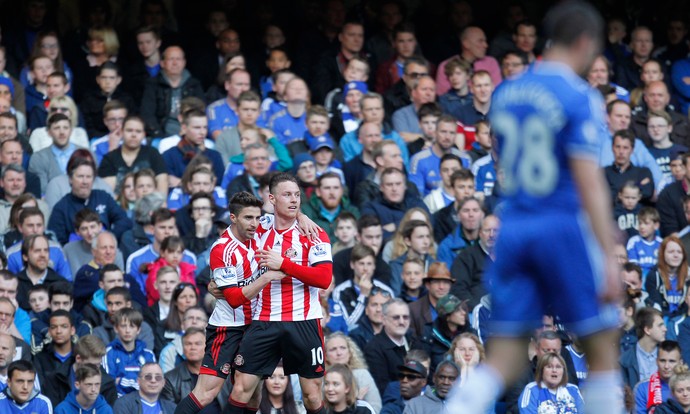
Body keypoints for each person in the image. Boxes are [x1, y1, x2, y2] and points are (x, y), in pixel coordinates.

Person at [448, 3, 623, 413]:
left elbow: (500, 157)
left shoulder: (507, 91)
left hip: (516, 226)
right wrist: (609, 253)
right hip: (562, 225)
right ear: (586, 42)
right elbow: (589, 182)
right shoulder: (579, 96)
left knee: (504, 357)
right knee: (601, 347)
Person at [173, 191, 288, 414]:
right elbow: (234, 299)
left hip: (257, 327)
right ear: (233, 218)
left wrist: (304, 219)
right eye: (248, 218)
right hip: (228, 328)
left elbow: (289, 214)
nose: (255, 224)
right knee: (206, 393)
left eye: (257, 217)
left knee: (253, 393)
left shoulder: (260, 228)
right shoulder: (222, 249)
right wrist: (266, 277)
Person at [47, 154, 132, 245]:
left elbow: (123, 220)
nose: (85, 181)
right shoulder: (61, 208)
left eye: (88, 177)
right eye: (80, 176)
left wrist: (108, 238)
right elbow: (56, 241)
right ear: (70, 179)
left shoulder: (103, 197)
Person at [140, 46, 204, 138]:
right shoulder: (153, 84)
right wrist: (159, 136)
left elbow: (201, 112)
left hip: (190, 135)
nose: (175, 63)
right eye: (171, 59)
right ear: (162, 63)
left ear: (184, 63)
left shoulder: (194, 85)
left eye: (178, 59)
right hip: (160, 135)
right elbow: (147, 114)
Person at [98, 115, 168, 195]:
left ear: (144, 135)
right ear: (121, 132)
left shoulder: (153, 154)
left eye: (138, 131)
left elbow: (162, 181)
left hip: (150, 205)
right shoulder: (109, 158)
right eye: (129, 130)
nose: (134, 135)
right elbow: (108, 192)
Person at [103, 308, 156, 396]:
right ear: (116, 328)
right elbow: (109, 384)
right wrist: (138, 383)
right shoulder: (108, 353)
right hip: (117, 402)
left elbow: (152, 383)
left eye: (132, 326)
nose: (127, 330)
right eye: (123, 326)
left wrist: (120, 381)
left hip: (143, 401)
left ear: (138, 330)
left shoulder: (148, 354)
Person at [325, 332, 382, 412]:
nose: (339, 353)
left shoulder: (362, 375)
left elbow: (375, 407)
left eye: (343, 348)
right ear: (325, 356)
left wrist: (357, 404)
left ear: (350, 353)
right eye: (333, 349)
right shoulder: (321, 379)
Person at [517, 352, 585, 413]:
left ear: (563, 371)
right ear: (541, 370)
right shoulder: (531, 390)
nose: (554, 370)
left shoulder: (573, 390)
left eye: (558, 367)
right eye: (549, 367)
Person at [621, 307, 668, 390]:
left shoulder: (668, 356)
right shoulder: (625, 360)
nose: (665, 329)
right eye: (660, 325)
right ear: (647, 330)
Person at [633, 340, 682, 413]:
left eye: (672, 361)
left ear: (680, 363)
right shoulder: (642, 388)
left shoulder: (687, 387)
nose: (666, 366)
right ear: (656, 361)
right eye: (662, 361)